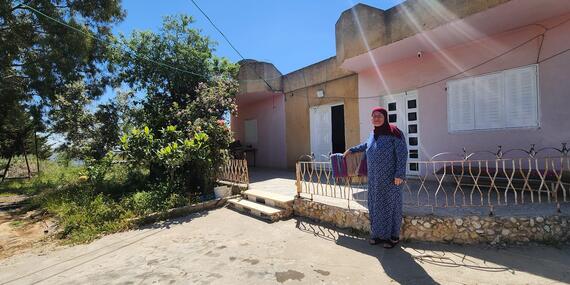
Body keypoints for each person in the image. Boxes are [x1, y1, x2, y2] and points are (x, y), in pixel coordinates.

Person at [344, 106, 408, 248]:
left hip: (391, 179)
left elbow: (402, 154)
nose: (376, 118)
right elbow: (365, 145)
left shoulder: (395, 132)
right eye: (374, 116)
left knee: (392, 206)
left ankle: (393, 237)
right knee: (376, 206)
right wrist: (351, 150)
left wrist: (399, 174)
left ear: (385, 117)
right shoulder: (373, 134)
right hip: (375, 178)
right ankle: (379, 235)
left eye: (379, 115)